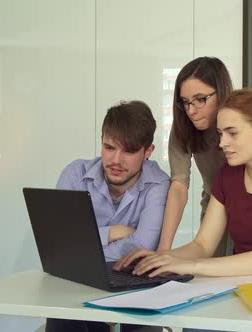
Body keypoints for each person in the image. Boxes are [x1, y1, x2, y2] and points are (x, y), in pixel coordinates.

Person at [114, 88, 252, 278]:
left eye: (232, 133)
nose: (222, 144)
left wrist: (192, 266)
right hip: (243, 285)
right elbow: (203, 245)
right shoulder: (227, 177)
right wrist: (161, 257)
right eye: (221, 134)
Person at [49, 100, 169, 331]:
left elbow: (142, 245)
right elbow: (58, 247)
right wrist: (113, 233)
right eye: (109, 147)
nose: (116, 160)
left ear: (148, 152)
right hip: (74, 286)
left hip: (134, 290)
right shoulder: (76, 174)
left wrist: (80, 249)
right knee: (65, 314)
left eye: (129, 151)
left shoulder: (159, 184)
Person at [159, 56, 233, 255]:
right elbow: (178, 185)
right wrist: (164, 249)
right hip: (214, 203)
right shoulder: (184, 125)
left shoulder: (248, 120)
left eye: (200, 100)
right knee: (209, 269)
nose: (191, 111)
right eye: (185, 102)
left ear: (222, 92)